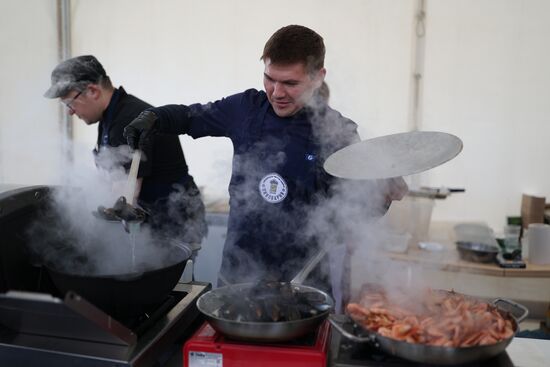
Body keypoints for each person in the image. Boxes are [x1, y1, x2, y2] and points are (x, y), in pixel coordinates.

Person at [123, 25, 407, 294]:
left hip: (303, 281)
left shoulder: (339, 133)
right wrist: (155, 118)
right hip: (237, 275)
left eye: (290, 83)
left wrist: (383, 196)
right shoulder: (246, 109)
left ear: (318, 76)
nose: (276, 92)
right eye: (269, 78)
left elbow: (354, 212)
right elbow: (189, 117)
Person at [44, 55, 207, 245]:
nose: (70, 111)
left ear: (92, 91)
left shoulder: (129, 120)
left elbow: (125, 195)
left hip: (173, 221)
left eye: (69, 103)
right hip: (155, 218)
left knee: (169, 272)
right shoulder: (110, 117)